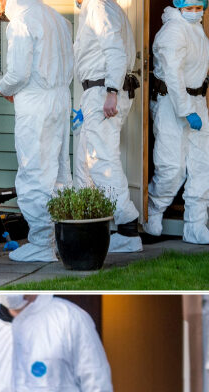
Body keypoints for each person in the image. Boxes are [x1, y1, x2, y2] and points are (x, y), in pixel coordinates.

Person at [0, 0, 74, 262]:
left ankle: (42, 242)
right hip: (61, 98)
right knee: (59, 172)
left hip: (36, 101)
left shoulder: (21, 20)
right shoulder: (58, 18)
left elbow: (18, 73)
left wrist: (3, 87)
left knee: (34, 171)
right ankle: (62, 238)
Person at [144, 0, 209, 245]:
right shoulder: (173, 32)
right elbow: (173, 76)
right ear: (179, 5)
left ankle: (196, 225)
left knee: (204, 162)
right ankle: (152, 212)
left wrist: (193, 108)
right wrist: (186, 110)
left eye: (199, 7)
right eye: (191, 7)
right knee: (171, 166)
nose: (196, 12)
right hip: (171, 104)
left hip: (196, 102)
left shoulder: (195, 29)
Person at [73, 0, 142, 253]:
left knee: (101, 160)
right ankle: (88, 225)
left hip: (104, 89)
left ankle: (127, 227)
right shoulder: (103, 6)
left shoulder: (99, 6)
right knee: (85, 161)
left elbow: (115, 50)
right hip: (97, 91)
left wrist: (111, 90)